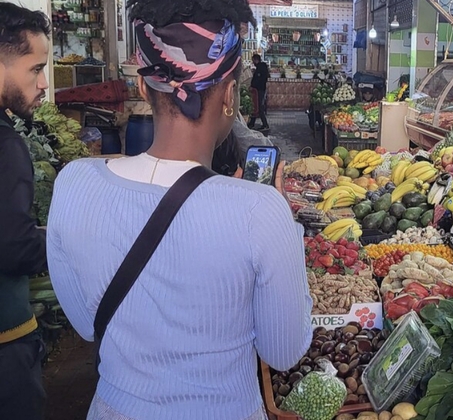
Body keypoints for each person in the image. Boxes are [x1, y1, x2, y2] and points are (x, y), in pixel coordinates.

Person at [46, 0, 312, 419]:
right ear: (229, 94)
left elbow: (85, 323)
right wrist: (284, 226)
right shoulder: (260, 210)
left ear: (141, 86)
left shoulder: (74, 185)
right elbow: (284, 352)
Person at [0, 3, 51, 419]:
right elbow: (14, 248)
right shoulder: (5, 146)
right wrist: (64, 240)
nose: (44, 84)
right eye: (35, 69)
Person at [249, 53, 269, 131]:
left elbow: (259, 79)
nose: (253, 62)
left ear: (256, 60)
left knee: (259, 106)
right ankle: (252, 123)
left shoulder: (260, 68)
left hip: (259, 90)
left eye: (253, 60)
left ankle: (265, 124)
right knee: (255, 105)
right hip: (260, 89)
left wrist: (253, 85)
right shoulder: (261, 67)